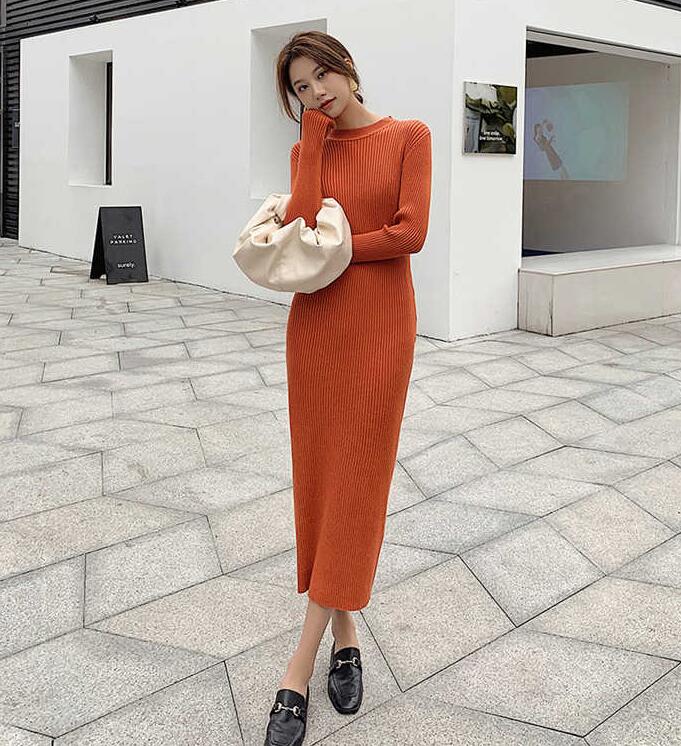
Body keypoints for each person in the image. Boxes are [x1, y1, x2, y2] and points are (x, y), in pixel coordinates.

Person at [264, 30, 432, 746]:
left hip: (380, 332)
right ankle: (346, 634)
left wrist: (335, 249)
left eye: (321, 77)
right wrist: (312, 143)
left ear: (347, 68)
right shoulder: (308, 147)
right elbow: (303, 224)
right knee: (320, 480)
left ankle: (295, 671)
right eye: (300, 88)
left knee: (357, 484)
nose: (316, 93)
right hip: (315, 333)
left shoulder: (409, 136)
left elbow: (409, 233)